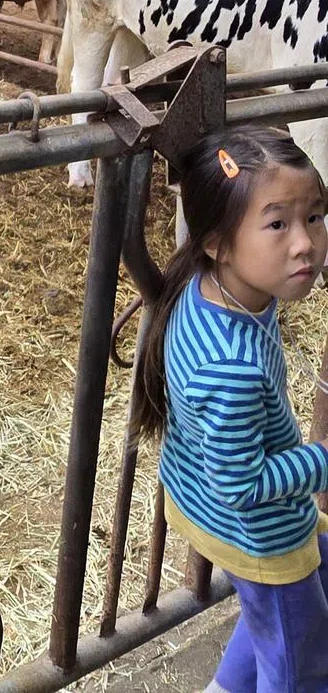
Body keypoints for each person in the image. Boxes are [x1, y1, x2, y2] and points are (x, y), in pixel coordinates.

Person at [132, 125, 328, 693]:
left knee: (280, 618)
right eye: (277, 224)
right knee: (298, 664)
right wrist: (321, 462)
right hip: (256, 529)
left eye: (314, 216)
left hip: (205, 502)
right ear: (217, 240)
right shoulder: (231, 369)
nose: (306, 244)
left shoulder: (212, 283)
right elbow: (242, 484)